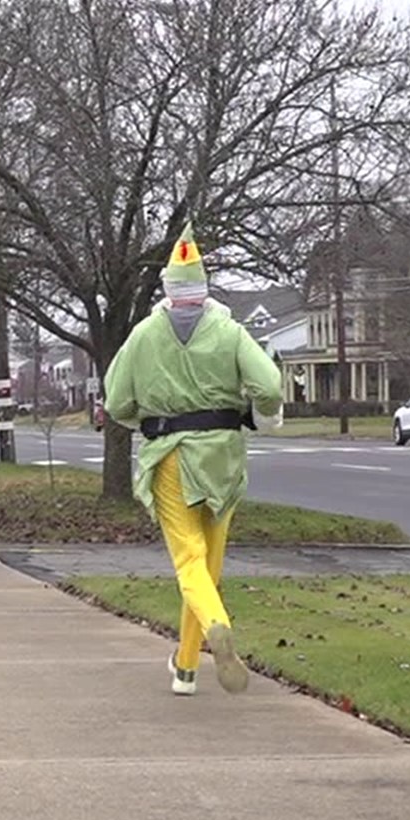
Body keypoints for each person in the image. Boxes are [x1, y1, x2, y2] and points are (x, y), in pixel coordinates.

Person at [103, 221, 283, 697]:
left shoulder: (142, 337)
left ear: (167, 289)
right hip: (222, 460)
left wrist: (146, 417)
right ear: (204, 289)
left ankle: (217, 628)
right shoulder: (231, 332)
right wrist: (263, 414)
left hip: (170, 460)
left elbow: (117, 402)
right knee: (208, 567)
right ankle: (185, 668)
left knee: (188, 562)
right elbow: (269, 387)